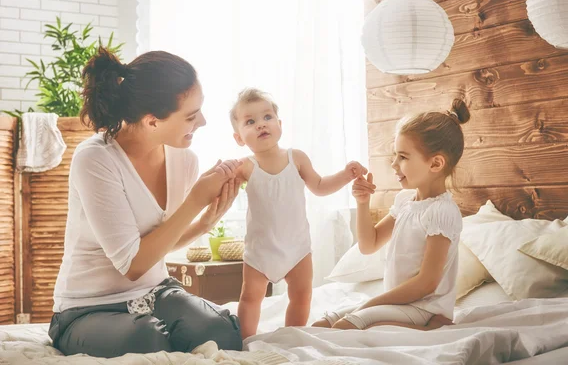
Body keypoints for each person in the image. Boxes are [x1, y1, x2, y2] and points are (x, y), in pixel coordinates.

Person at [49, 47, 243, 358]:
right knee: (146, 341)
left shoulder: (185, 160)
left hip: (156, 294)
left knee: (222, 330)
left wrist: (206, 221)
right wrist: (195, 200)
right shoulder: (95, 159)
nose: (203, 122)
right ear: (152, 121)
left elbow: (160, 244)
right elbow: (134, 264)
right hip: (87, 308)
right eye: (191, 116)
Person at [313, 99, 470, 331]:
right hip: (397, 304)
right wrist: (363, 203)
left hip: (425, 308)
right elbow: (369, 245)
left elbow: (427, 283)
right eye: (395, 155)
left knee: (344, 327)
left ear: (435, 163)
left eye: (403, 157)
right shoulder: (405, 201)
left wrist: (371, 303)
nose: (394, 164)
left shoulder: (442, 212)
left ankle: (432, 327)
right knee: (321, 324)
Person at [229, 88, 368, 338]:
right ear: (239, 137)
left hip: (297, 248)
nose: (261, 124)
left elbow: (320, 186)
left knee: (302, 295)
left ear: (280, 124)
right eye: (250, 121)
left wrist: (346, 175)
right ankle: (244, 341)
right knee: (250, 298)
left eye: (267, 117)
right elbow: (224, 195)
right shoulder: (245, 167)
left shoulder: (297, 158)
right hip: (261, 250)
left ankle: (291, 337)